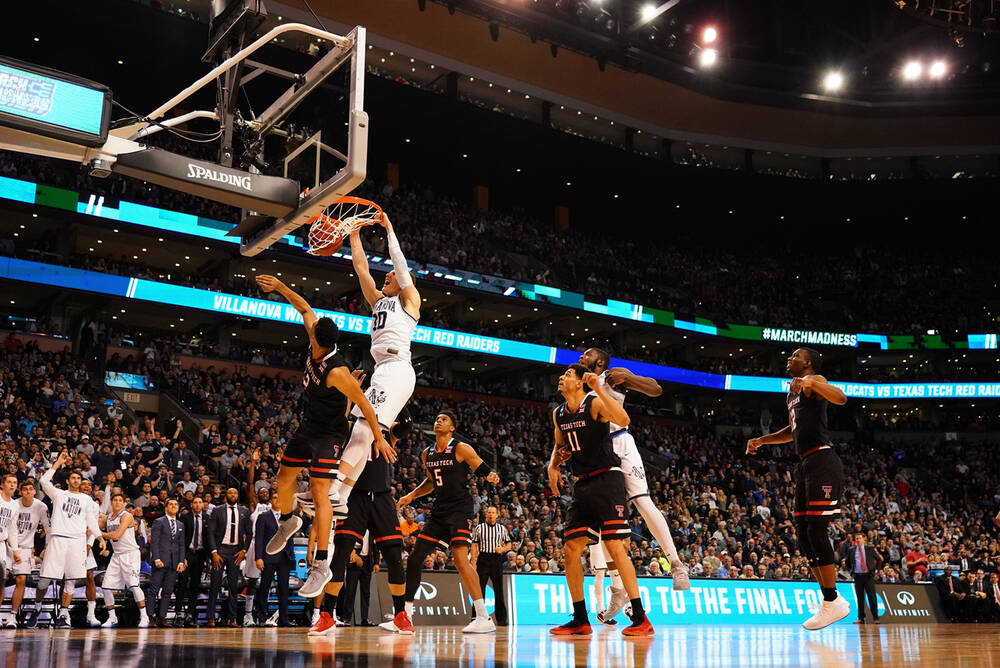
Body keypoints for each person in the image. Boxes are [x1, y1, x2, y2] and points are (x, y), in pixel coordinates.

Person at [255, 274, 391, 602]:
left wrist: (378, 437)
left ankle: (320, 563)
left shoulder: (339, 372)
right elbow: (303, 308)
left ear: (322, 341)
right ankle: (288, 523)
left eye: (313, 332)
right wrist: (280, 287)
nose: (310, 330)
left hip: (329, 435)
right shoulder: (316, 340)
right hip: (308, 426)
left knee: (319, 492)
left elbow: (364, 405)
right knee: (283, 479)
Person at [577, 347, 690, 626]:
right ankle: (618, 589)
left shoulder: (611, 376)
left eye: (587, 355)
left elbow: (655, 389)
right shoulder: (577, 389)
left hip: (620, 442)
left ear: (600, 363)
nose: (581, 357)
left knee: (642, 501)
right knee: (604, 524)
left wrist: (628, 378)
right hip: (596, 451)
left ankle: (676, 564)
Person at [746, 348, 849, 631]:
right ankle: (829, 600)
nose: (789, 359)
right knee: (803, 531)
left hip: (823, 460)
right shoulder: (792, 393)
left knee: (816, 528)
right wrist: (762, 440)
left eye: (795, 356)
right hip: (805, 463)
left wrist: (812, 382)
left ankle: (832, 600)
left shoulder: (815, 380)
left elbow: (841, 398)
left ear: (810, 363)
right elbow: (792, 431)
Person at [546, 364, 652, 637]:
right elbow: (560, 446)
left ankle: (641, 618)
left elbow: (624, 419)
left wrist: (598, 389)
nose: (562, 377)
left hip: (607, 479)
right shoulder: (559, 413)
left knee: (615, 546)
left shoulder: (593, 403)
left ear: (581, 382)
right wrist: (554, 465)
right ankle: (580, 619)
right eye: (562, 375)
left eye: (568, 375)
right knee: (571, 547)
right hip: (582, 483)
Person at [327, 212, 419, 519]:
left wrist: (389, 229)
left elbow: (401, 265)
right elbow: (361, 267)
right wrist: (353, 234)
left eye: (391, 275)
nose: (388, 276)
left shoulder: (410, 300)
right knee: (364, 432)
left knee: (364, 428)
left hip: (397, 368)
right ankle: (340, 497)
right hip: (383, 370)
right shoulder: (379, 300)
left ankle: (334, 486)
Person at [390, 411, 501, 635]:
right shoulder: (426, 454)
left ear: (452, 428)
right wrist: (411, 495)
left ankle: (483, 616)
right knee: (414, 559)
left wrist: (491, 475)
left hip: (460, 508)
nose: (438, 421)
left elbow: (479, 465)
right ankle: (405, 617)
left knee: (460, 558)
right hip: (439, 511)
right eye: (437, 418)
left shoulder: (460, 448)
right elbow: (431, 483)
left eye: (444, 419)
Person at [310, 405, 411, 636]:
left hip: (382, 496)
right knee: (342, 553)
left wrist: (400, 397)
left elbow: (407, 426)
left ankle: (400, 615)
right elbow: (336, 419)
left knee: (394, 555)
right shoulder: (350, 427)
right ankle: (327, 615)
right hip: (353, 494)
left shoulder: (386, 430)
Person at [33, 452, 106, 628]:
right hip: (58, 540)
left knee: (71, 580)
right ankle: (36, 609)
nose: (75, 481)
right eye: (72, 478)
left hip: (77, 542)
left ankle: (64, 614)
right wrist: (57, 462)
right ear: (67, 481)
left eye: (78, 478)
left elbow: (90, 521)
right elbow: (43, 482)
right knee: (45, 579)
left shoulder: (86, 500)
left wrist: (99, 537)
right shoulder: (58, 494)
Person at [99, 492, 150, 627]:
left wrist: (98, 533)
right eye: (115, 500)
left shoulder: (127, 516)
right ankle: (112, 618)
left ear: (123, 503)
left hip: (131, 554)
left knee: (133, 585)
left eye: (120, 500)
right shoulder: (108, 517)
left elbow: (117, 535)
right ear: (111, 502)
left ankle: (144, 617)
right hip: (117, 555)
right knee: (105, 587)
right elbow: (96, 527)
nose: (117, 502)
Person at [205, 487, 251, 626]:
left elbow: (249, 533)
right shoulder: (217, 510)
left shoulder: (244, 511)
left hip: (236, 551)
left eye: (235, 492)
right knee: (215, 584)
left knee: (233, 586)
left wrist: (244, 550)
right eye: (230, 492)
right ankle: (211, 617)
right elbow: (210, 533)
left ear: (238, 495)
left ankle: (232, 618)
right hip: (220, 550)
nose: (233, 494)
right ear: (226, 495)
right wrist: (214, 552)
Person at [11, 479, 48, 628]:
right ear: (20, 491)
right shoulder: (13, 505)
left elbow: (49, 528)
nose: (27, 491)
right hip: (8, 545)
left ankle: (13, 616)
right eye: (24, 489)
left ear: (34, 491)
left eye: (30, 489)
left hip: (25, 548)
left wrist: (47, 546)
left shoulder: (41, 507)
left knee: (21, 580)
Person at [253, 492, 293, 627]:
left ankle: (284, 619)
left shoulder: (288, 517)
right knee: (264, 588)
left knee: (284, 589)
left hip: (284, 557)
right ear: (270, 501)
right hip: (268, 557)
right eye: (275, 498)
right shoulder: (263, 517)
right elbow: (259, 539)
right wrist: (258, 558)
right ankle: (261, 618)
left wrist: (291, 555)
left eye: (280, 498)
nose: (278, 500)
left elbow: (290, 538)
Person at [470, 506, 512, 626]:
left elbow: (509, 545)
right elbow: (474, 545)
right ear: (485, 514)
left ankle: (502, 619)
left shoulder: (501, 528)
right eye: (489, 512)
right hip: (483, 558)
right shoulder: (480, 527)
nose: (491, 514)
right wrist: (473, 561)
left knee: (499, 590)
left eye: (493, 513)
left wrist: (502, 549)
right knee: (479, 589)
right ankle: (476, 617)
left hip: (496, 559)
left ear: (497, 515)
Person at [148, 498, 186, 627]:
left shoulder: (180, 525)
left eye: (176, 504)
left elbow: (182, 545)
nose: (174, 506)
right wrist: (156, 558)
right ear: (166, 507)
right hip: (160, 562)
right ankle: (150, 616)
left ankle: (162, 617)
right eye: (171, 504)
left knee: (168, 591)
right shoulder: (159, 522)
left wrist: (181, 561)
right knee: (154, 590)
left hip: (174, 563)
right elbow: (154, 542)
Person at [177, 495, 210, 626]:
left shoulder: (207, 518)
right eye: (195, 502)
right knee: (182, 584)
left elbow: (209, 539)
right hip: (187, 554)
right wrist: (182, 556)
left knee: (195, 586)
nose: (197, 504)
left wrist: (207, 557)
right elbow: (180, 538)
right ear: (191, 505)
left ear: (203, 505)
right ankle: (179, 613)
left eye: (199, 502)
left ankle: (190, 614)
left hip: (200, 555)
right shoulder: (185, 517)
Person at [843, 532, 881, 624]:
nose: (858, 540)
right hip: (858, 577)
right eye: (856, 539)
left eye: (859, 538)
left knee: (872, 597)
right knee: (860, 598)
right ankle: (861, 618)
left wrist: (877, 570)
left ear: (864, 539)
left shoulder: (870, 549)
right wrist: (851, 572)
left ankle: (875, 617)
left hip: (868, 576)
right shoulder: (851, 550)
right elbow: (847, 562)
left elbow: (879, 559)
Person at [0, 474, 20, 629]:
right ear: (2, 484)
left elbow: (12, 530)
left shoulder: (14, 505)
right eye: (9, 482)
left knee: (1, 582)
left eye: (15, 483)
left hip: (1, 545)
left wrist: (15, 550)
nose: (12, 485)